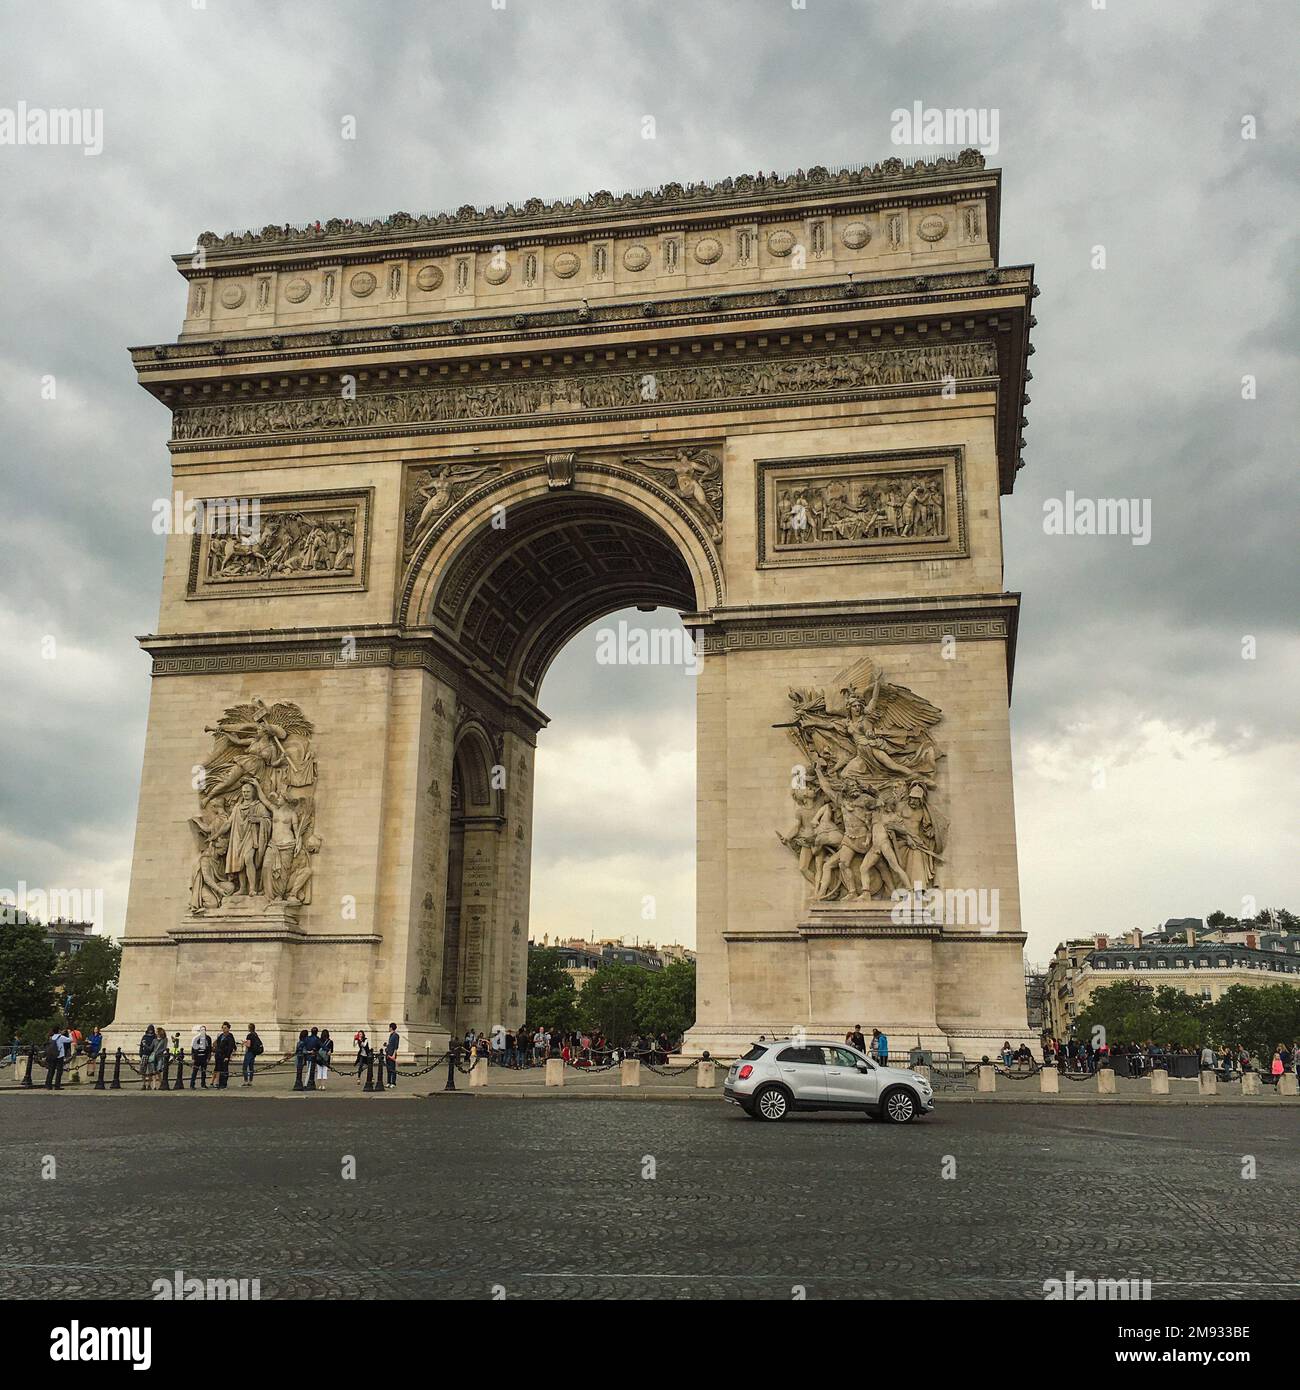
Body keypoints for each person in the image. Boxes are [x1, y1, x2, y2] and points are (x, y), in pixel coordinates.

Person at [213, 1022, 237, 1089]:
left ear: (228, 1029)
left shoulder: (230, 1036)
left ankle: (224, 1084)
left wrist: (227, 1056)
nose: (224, 1029)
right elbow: (217, 1044)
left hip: (225, 1055)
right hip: (218, 1055)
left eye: (225, 1028)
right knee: (219, 1069)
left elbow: (230, 1047)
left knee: (224, 1069)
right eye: (223, 1028)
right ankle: (220, 1083)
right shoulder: (221, 1036)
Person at [385, 1022, 400, 1087]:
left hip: (392, 1054)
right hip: (388, 1054)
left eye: (389, 1027)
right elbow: (391, 1045)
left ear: (391, 1028)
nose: (388, 1028)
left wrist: (394, 1055)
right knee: (388, 1069)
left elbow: (396, 1046)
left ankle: (393, 1083)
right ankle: (389, 1082)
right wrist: (387, 1045)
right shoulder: (391, 1035)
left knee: (393, 1069)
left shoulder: (396, 1035)